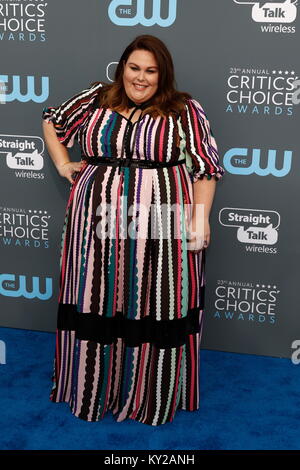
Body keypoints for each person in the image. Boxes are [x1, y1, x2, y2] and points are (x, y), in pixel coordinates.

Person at [41, 34, 225, 426]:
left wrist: (200, 218)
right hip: (95, 215)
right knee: (97, 296)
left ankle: (150, 395)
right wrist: (62, 164)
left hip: (160, 213)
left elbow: (206, 167)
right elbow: (52, 121)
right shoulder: (96, 98)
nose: (140, 78)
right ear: (122, 67)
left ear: (163, 75)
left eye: (151, 71)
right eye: (134, 67)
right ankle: (91, 389)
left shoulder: (183, 109)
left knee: (155, 299)